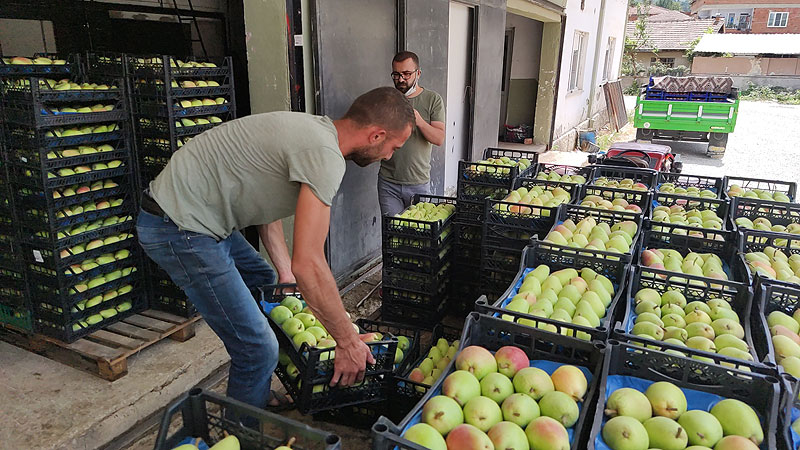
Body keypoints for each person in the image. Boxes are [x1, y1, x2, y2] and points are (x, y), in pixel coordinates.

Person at [136, 87, 414, 414]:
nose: (389, 156)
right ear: (376, 135)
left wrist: (284, 270)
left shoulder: (313, 131)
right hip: (180, 228)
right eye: (393, 147)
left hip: (197, 217)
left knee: (265, 281)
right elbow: (309, 264)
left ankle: (255, 389)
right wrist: (348, 342)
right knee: (257, 349)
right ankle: (240, 432)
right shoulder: (325, 156)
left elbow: (266, 203)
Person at [378, 51, 446, 217]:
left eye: (407, 74)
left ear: (418, 73)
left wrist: (419, 121)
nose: (401, 79)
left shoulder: (432, 99)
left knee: (419, 237)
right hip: (388, 182)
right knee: (392, 235)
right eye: (396, 74)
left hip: (418, 183)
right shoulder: (386, 99)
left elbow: (438, 138)